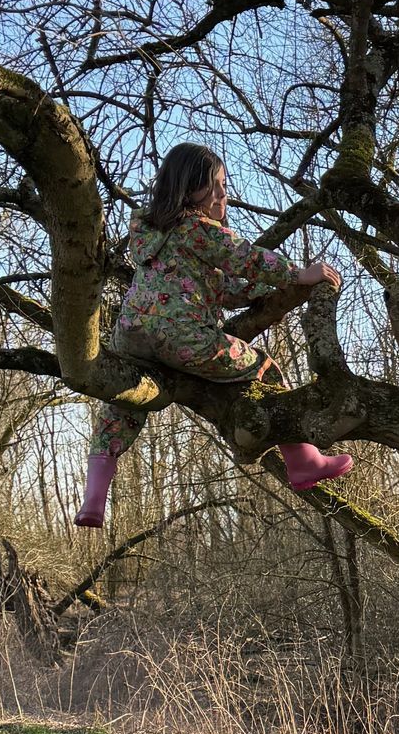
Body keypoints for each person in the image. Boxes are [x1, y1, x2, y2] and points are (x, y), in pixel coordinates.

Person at [75, 142, 353, 528]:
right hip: (183, 339)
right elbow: (244, 256)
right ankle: (303, 460)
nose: (225, 194)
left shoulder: (155, 236)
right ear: (190, 191)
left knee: (121, 407)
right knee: (265, 368)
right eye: (216, 185)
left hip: (131, 337)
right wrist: (297, 274)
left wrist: (268, 293)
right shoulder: (197, 229)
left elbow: (220, 289)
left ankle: (94, 500)